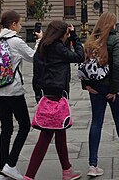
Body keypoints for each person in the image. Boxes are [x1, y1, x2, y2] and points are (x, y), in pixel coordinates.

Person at [82, 12, 119, 177]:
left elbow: (83, 65)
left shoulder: (91, 41)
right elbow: (117, 66)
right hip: (112, 89)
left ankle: (93, 165)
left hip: (95, 89)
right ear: (112, 24)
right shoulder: (115, 41)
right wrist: (114, 90)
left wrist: (86, 85)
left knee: (96, 123)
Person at [24, 21, 84, 180]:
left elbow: (36, 72)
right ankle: (29, 177)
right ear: (60, 35)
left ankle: (67, 170)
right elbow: (80, 56)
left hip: (45, 94)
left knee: (60, 131)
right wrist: (75, 37)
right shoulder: (57, 48)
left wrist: (38, 94)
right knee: (45, 138)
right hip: (56, 96)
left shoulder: (42, 47)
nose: (66, 37)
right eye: (66, 34)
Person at [0, 10, 41, 180]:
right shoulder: (15, 41)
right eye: (19, 23)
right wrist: (39, 40)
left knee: (6, 129)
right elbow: (34, 57)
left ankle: (3, 170)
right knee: (25, 126)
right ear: (12, 25)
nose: (21, 26)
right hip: (13, 90)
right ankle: (10, 165)